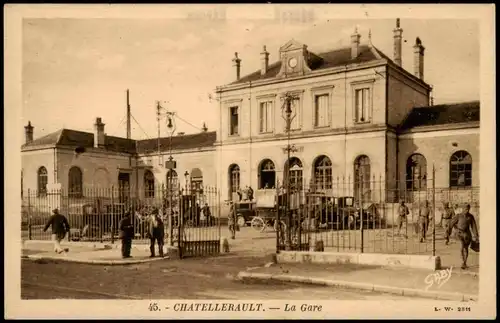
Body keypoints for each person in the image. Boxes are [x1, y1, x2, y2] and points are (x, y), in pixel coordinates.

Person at [447, 204, 479, 269]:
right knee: (461, 246)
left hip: (467, 235)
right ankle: (462, 261)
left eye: (468, 209)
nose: (467, 210)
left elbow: (473, 227)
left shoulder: (471, 217)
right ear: (462, 209)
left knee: (466, 249)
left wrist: (476, 236)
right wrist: (448, 233)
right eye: (465, 209)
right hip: (459, 234)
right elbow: (451, 224)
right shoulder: (458, 216)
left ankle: (464, 262)